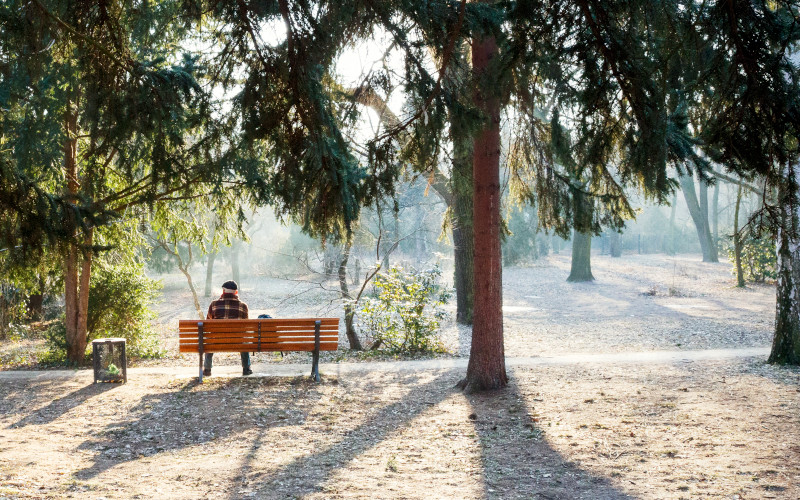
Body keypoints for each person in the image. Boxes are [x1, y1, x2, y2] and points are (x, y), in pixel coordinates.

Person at [203, 280, 252, 376]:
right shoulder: (243, 306)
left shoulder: (214, 304)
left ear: (223, 291)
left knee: (210, 340)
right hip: (238, 341)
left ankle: (207, 369)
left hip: (217, 341)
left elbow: (208, 323)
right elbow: (246, 326)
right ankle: (246, 368)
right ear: (236, 292)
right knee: (244, 339)